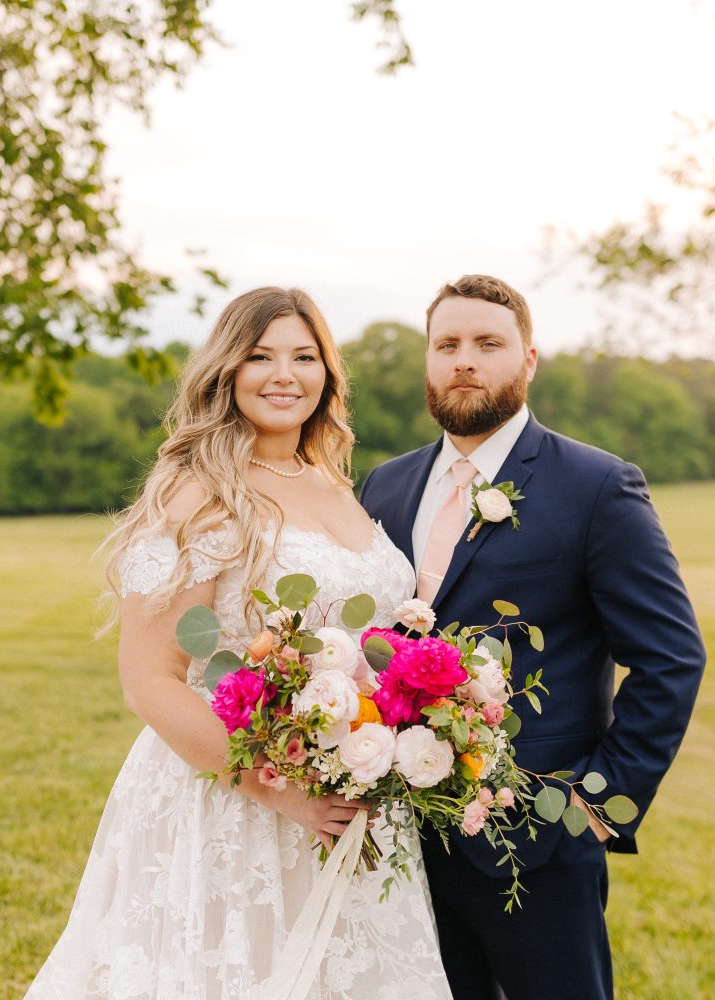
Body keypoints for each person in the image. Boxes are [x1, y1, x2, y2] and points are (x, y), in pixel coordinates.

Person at [26, 287, 452, 999]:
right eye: (260, 356)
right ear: (227, 369)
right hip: (234, 798)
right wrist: (282, 795)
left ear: (327, 375)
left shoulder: (335, 484)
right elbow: (151, 680)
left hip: (353, 796)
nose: (283, 375)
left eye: (303, 357)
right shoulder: (200, 492)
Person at [359, 275, 706, 1000]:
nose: (464, 360)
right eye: (446, 344)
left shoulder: (598, 487)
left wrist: (593, 805)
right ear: (426, 362)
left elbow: (671, 658)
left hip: (537, 842)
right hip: (403, 842)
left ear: (529, 361)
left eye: (488, 344)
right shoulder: (386, 487)